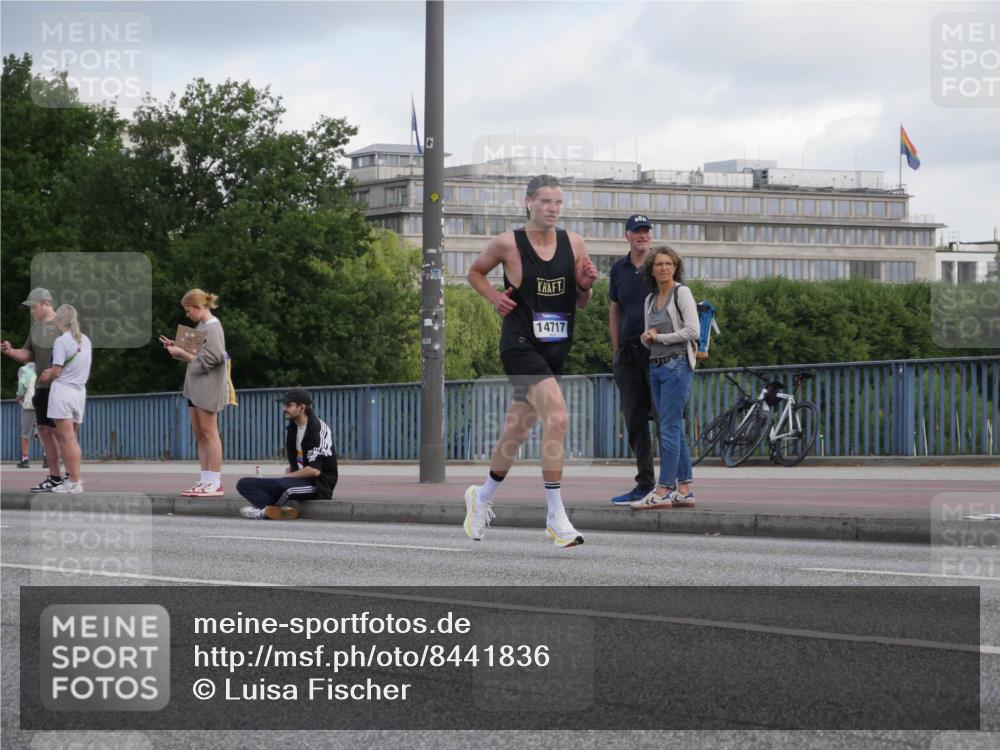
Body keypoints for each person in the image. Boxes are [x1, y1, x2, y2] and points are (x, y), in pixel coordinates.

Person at [464, 174, 599, 548]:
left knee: (516, 431)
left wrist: (586, 284)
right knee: (557, 417)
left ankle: (483, 496)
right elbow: (474, 272)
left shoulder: (574, 243)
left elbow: (581, 302)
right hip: (520, 344)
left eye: (558, 202)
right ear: (528, 202)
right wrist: (494, 297)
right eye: (545, 202)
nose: (553, 208)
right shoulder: (508, 243)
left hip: (556, 347)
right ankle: (556, 516)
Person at [631, 246, 700, 510]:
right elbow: (650, 338)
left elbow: (692, 330)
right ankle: (684, 489)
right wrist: (647, 339)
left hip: (677, 365)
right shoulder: (650, 300)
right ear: (652, 269)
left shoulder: (681, 293)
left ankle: (662, 491)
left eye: (668, 264)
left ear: (675, 267)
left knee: (668, 429)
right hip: (656, 366)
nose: (664, 268)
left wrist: (659, 338)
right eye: (658, 264)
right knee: (673, 428)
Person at [160, 289, 228, 497]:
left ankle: (214, 482)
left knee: (210, 433)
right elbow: (193, 354)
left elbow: (213, 358)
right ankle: (205, 479)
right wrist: (176, 347)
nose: (187, 315)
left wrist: (183, 353)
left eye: (188, 310)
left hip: (208, 388)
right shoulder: (201, 326)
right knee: (199, 434)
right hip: (195, 387)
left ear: (198, 308)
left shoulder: (213, 327)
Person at [608, 214, 657, 506]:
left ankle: (672, 484)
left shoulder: (661, 264)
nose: (642, 235)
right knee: (635, 419)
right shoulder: (618, 269)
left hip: (658, 352)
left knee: (666, 419)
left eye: (646, 231)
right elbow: (614, 310)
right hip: (627, 353)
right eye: (637, 231)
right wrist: (616, 348)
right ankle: (645, 483)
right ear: (627, 235)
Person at [235, 389, 338, 520]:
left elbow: (314, 470)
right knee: (244, 484)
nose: (284, 408)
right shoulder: (293, 427)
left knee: (282, 485)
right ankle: (272, 510)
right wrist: (292, 471)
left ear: (302, 407)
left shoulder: (317, 430)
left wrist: (289, 476)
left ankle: (263, 510)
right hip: (296, 481)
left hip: (317, 486)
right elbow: (296, 459)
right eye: (284, 405)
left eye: (289, 405)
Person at [1, 288, 65, 490]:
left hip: (61, 387)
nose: (31, 311)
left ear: (46, 303)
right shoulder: (36, 329)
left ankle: (72, 477)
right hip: (41, 388)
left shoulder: (63, 325)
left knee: (63, 433)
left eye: (33, 307)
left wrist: (59, 373)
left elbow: (76, 354)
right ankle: (54, 477)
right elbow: (28, 355)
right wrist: (10, 351)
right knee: (45, 431)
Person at [40, 305, 93, 494]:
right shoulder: (85, 340)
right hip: (79, 392)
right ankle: (74, 477)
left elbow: (56, 370)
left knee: (66, 439)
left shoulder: (61, 341)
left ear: (59, 321)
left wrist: (47, 373)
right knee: (72, 439)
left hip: (63, 392)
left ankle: (74, 481)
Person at [16, 362, 37, 468]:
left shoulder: (24, 369)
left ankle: (25, 460)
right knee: (45, 432)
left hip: (29, 404)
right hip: (43, 403)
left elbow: (22, 384)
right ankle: (47, 458)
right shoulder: (44, 366)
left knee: (25, 433)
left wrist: (19, 395)